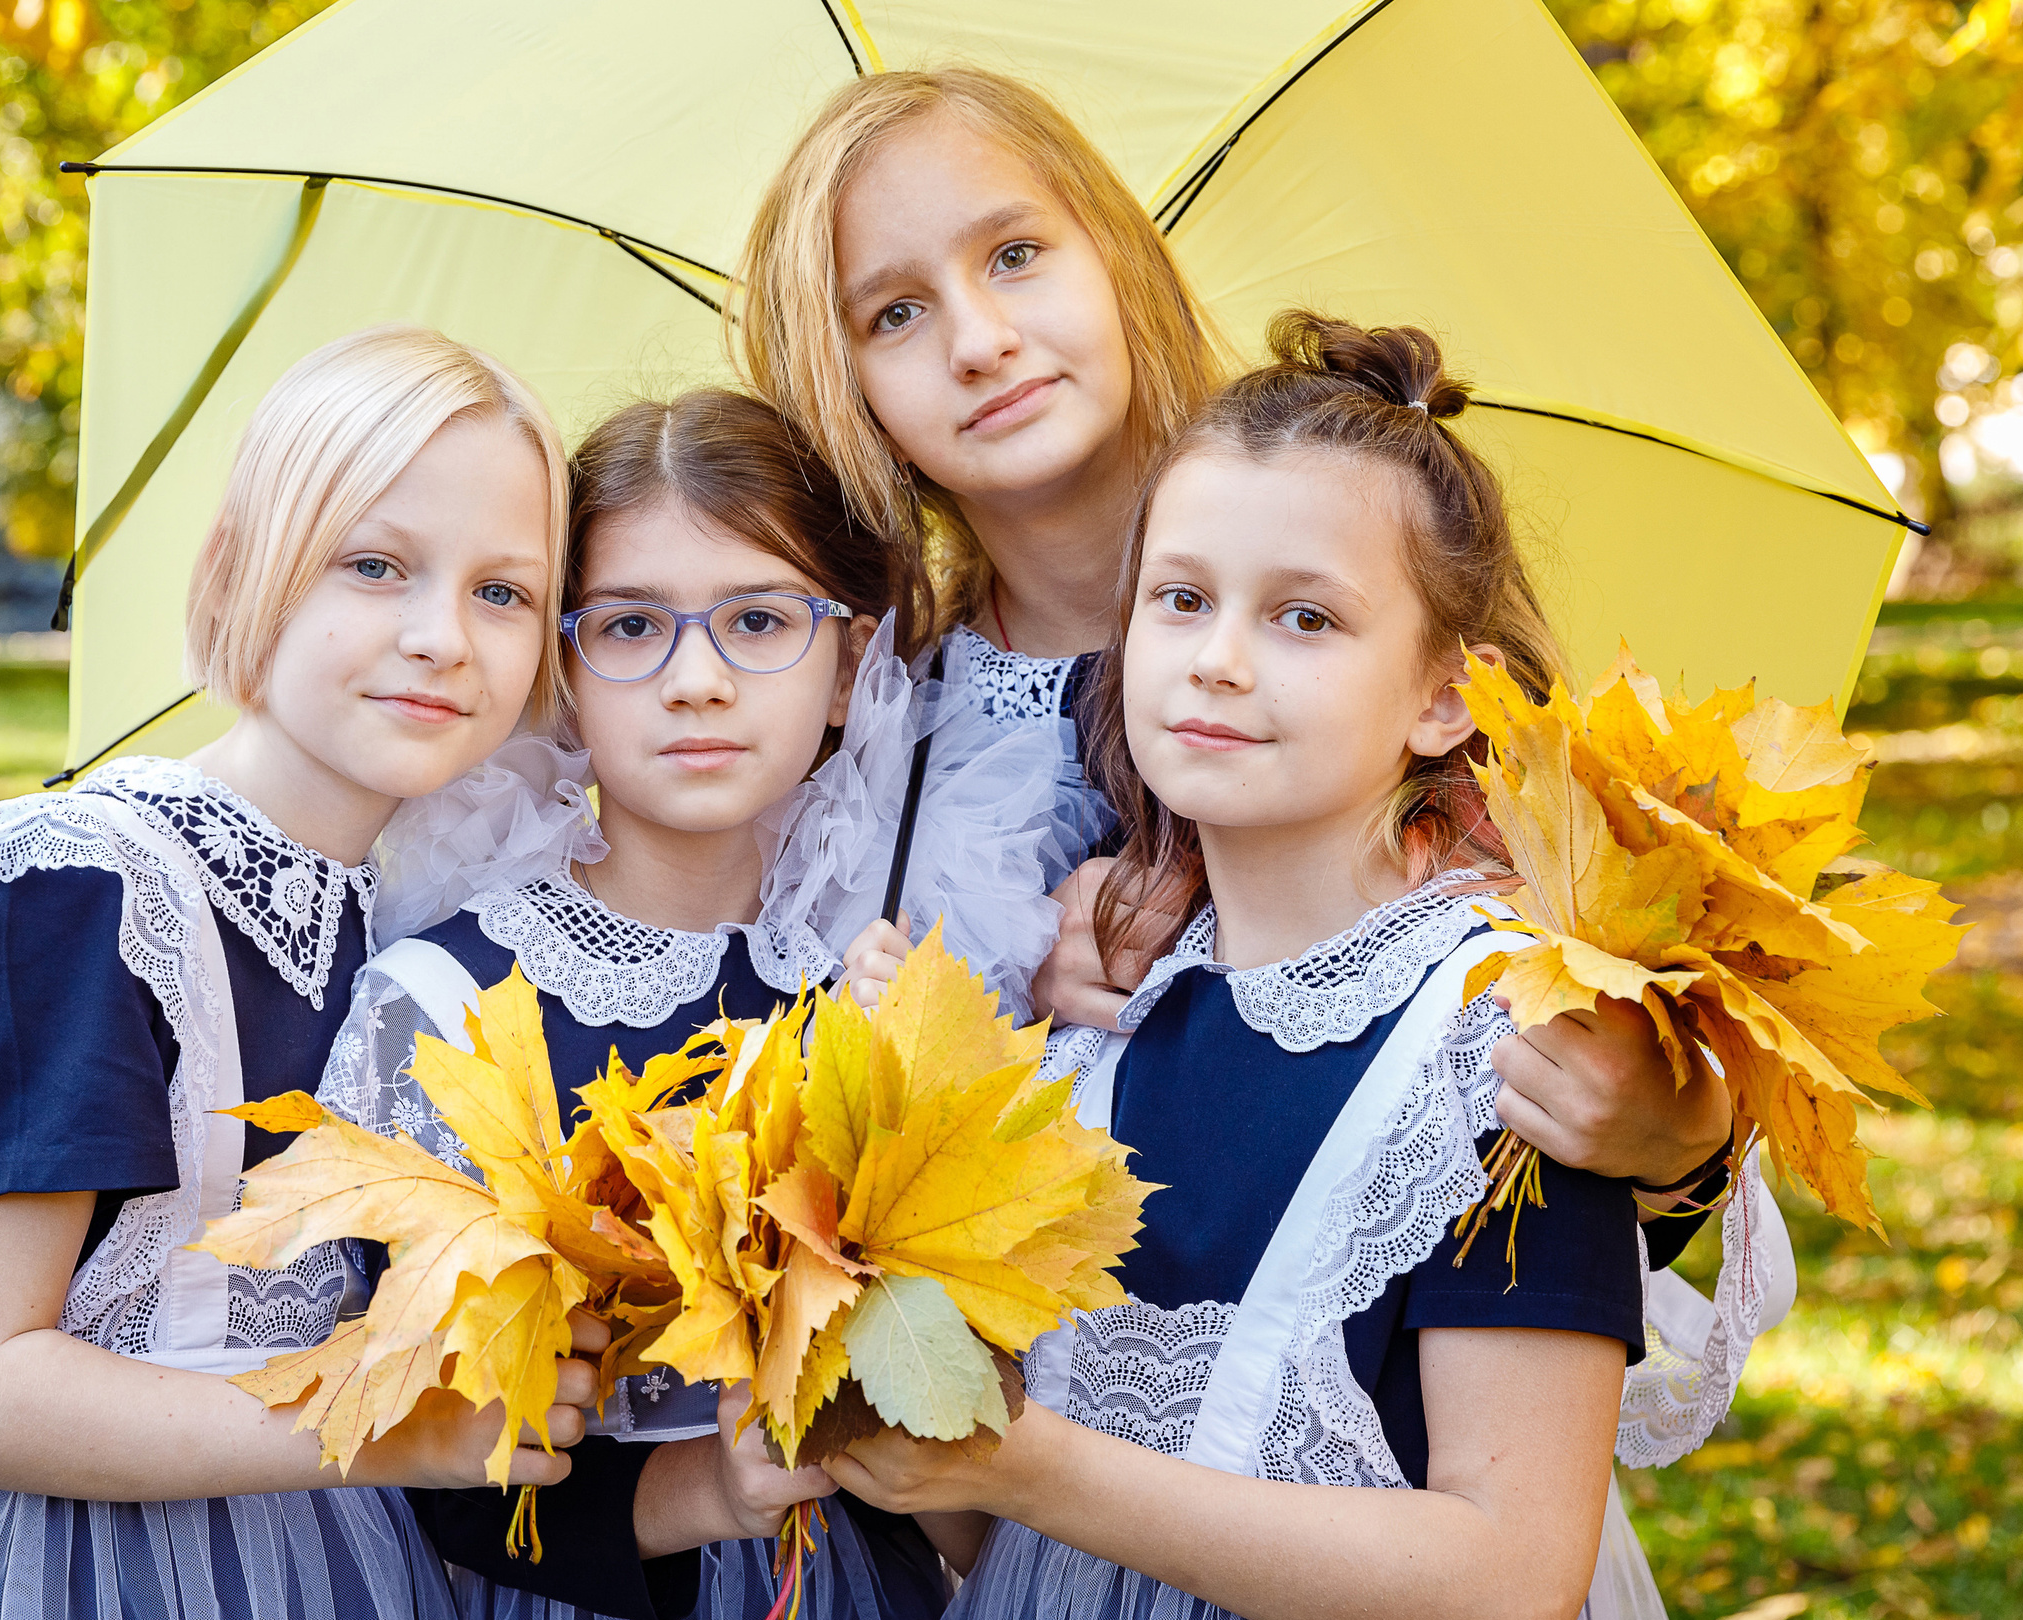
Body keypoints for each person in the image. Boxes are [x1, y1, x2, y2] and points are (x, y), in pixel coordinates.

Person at [829, 314, 1681, 1620]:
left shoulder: (1509, 1040)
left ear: (1442, 697)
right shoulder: (1091, 1033)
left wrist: (1033, 1459)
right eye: (1180, 599)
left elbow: (1512, 1586)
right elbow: (1006, 1539)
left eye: (1305, 616)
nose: (1219, 658)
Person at [730, 66, 1738, 1204]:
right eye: (894, 313)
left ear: (1112, 256)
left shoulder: (1361, 572)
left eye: (1014, 254)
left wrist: (1674, 1140)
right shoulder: (866, 743)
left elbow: (1578, 1065)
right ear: (843, 383)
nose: (979, 339)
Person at [0, 326, 607, 1620]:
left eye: (503, 591)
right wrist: (383, 1418)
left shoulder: (424, 926)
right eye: (376, 564)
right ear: (243, 568)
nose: (439, 635)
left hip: (327, 1596)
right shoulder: (89, 892)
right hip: (67, 1608)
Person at [318, 389, 1056, 1620]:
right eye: (632, 626)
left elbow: (986, 1471)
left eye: (761, 620)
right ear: (560, 662)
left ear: (851, 661)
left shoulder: (885, 996)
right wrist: (707, 1485)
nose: (698, 676)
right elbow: (423, 1463)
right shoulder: (449, 1003)